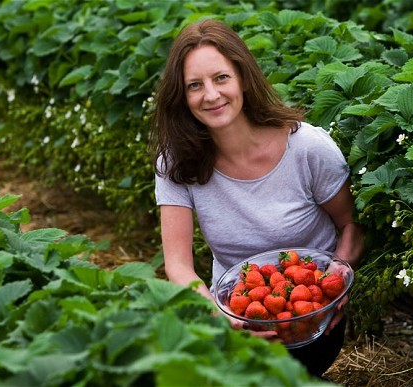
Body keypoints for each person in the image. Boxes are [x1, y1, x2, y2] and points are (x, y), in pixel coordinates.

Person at [149, 18, 365, 378]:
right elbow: (178, 266)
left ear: (243, 78)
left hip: (312, 313)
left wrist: (336, 283)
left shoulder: (306, 147)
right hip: (236, 310)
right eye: (194, 85)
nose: (212, 95)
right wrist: (218, 316)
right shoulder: (175, 164)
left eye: (221, 78)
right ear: (182, 97)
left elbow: (350, 225)